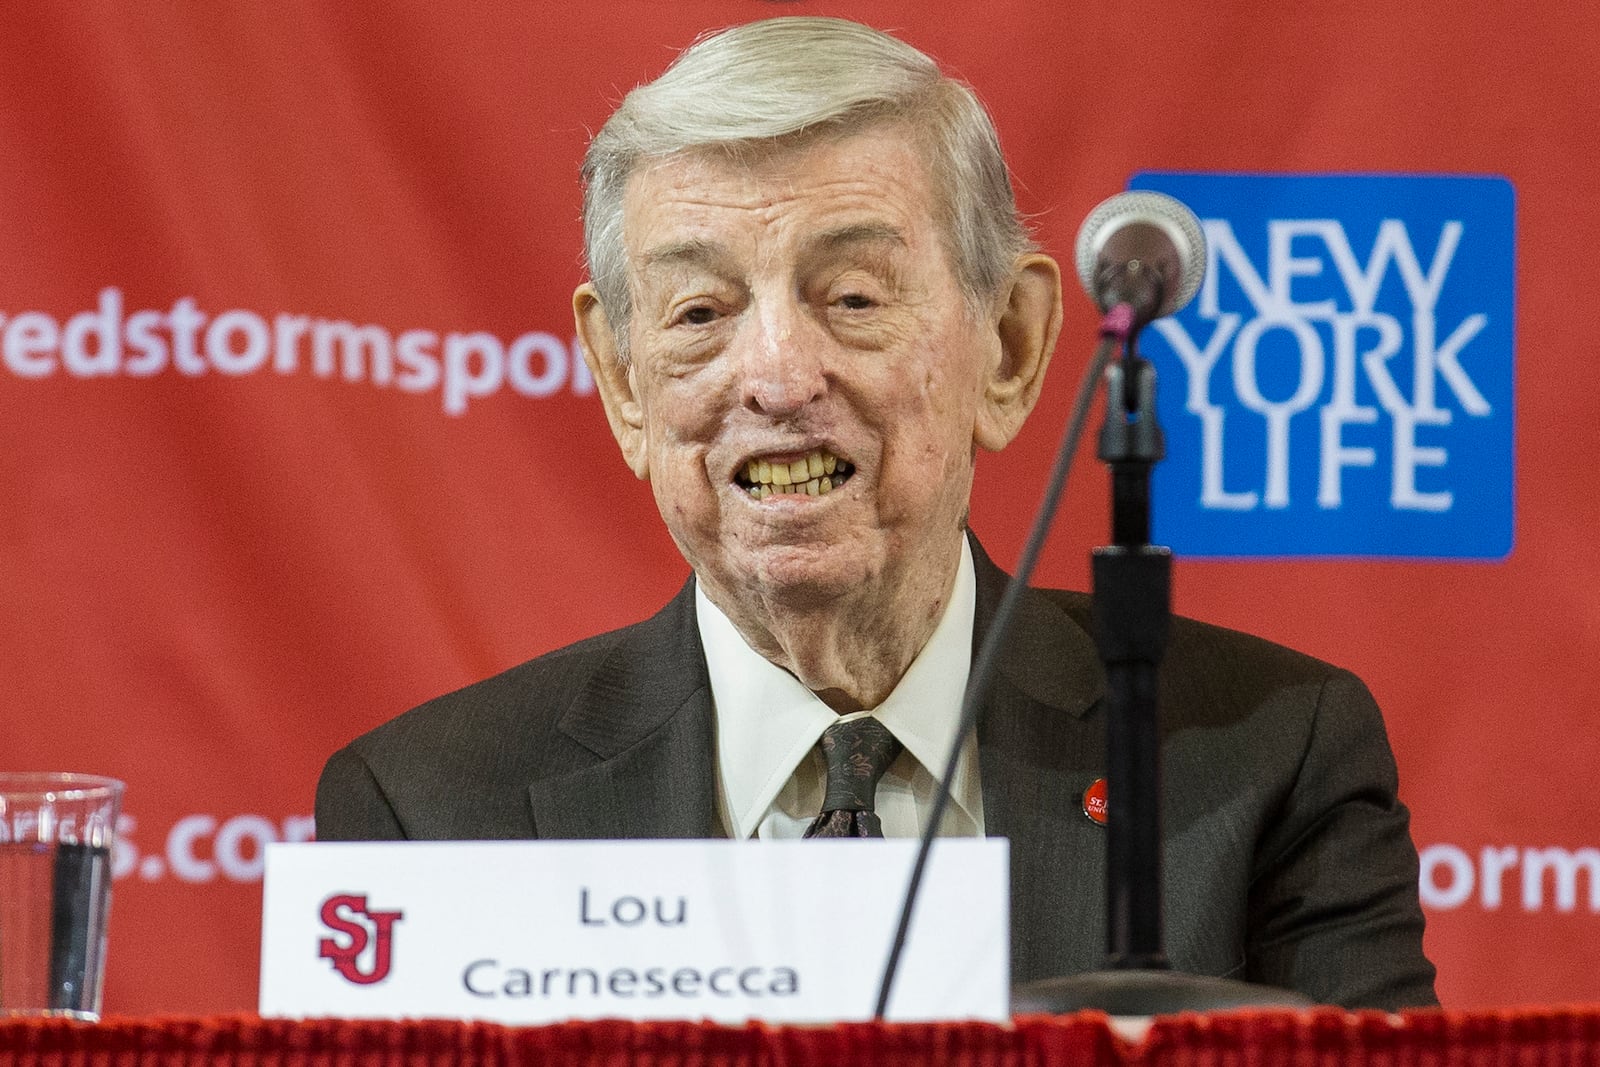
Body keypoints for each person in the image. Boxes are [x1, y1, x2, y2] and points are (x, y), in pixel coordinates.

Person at [317, 16, 1436, 1009]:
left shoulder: (1265, 756)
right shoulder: (431, 809)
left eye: (850, 296)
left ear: (1008, 348)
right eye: (700, 309)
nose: (777, 374)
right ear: (622, 381)